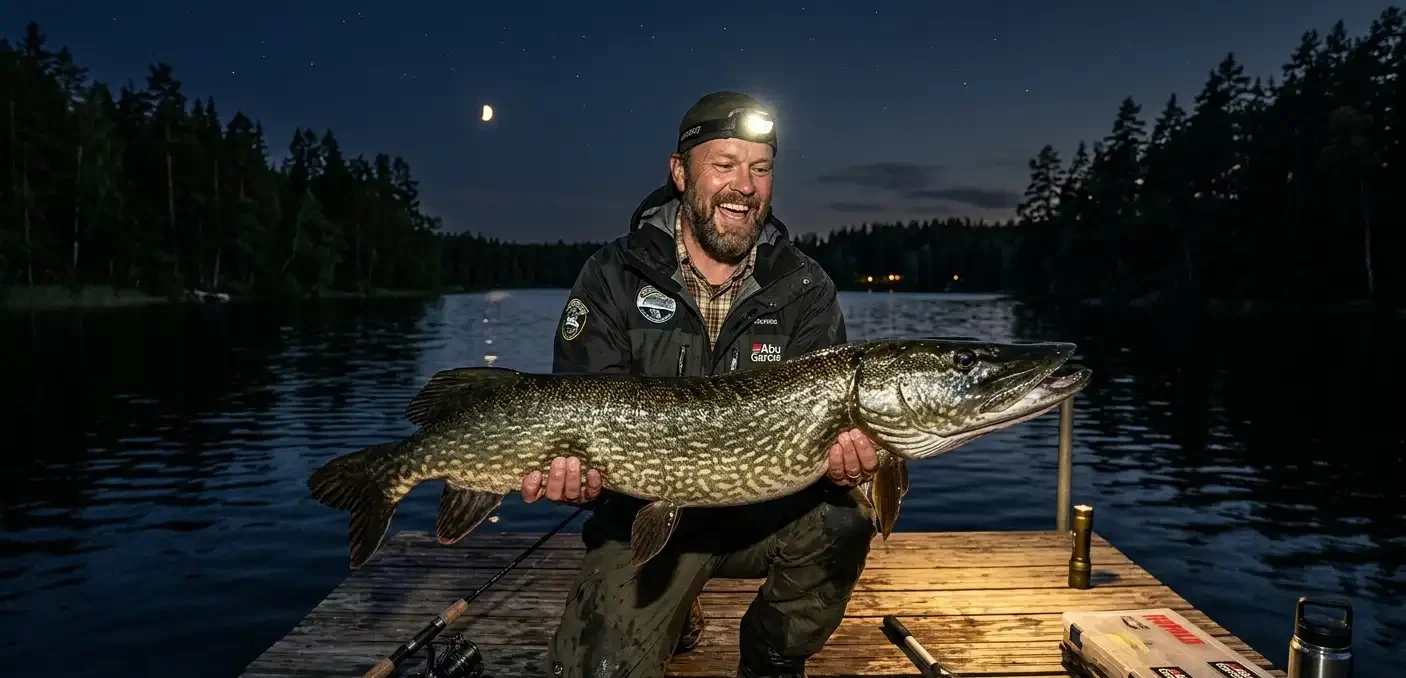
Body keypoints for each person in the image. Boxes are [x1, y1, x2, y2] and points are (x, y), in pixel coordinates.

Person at [522, 91, 881, 678]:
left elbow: (832, 442)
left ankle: (773, 649)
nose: (745, 186)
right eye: (724, 165)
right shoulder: (614, 274)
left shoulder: (804, 287)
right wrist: (575, 475)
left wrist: (852, 461)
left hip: (764, 515)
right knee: (600, 669)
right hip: (643, 517)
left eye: (760, 168)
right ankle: (673, 604)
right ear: (680, 172)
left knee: (846, 517)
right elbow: (578, 404)